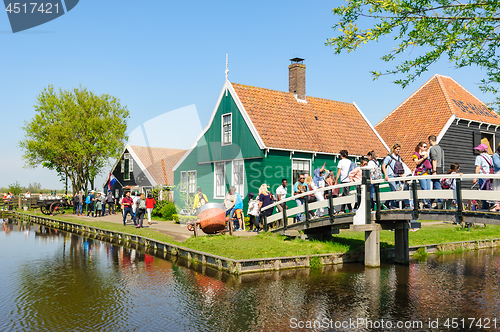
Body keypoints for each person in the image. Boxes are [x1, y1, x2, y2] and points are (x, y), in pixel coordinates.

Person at [382, 143, 409, 209]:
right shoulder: (389, 157)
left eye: (399, 149)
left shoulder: (399, 157)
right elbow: (384, 165)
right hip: (390, 175)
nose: (398, 151)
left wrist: (402, 176)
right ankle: (393, 205)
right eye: (397, 149)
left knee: (396, 190)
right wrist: (386, 174)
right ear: (393, 149)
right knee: (393, 190)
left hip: (397, 175)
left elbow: (400, 168)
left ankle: (387, 203)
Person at [473, 143, 493, 210]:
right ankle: (492, 203)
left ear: (480, 151)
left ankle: (485, 206)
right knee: (488, 190)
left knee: (483, 191)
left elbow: (478, 167)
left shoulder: (479, 157)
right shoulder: (489, 157)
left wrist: (475, 177)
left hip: (482, 176)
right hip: (488, 176)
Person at [412, 141, 432, 208]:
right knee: (424, 188)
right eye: (424, 147)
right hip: (421, 173)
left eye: (426, 147)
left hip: (427, 173)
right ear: (420, 147)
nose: (425, 148)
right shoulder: (416, 154)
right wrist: (424, 158)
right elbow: (417, 162)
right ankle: (424, 202)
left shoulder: (426, 153)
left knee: (428, 189)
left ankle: (428, 203)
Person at [428, 135, 444, 208]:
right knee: (435, 185)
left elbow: (434, 159)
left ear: (431, 140)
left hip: (435, 168)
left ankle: (441, 201)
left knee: (437, 184)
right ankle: (430, 202)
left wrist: (434, 170)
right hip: (440, 167)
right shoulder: (440, 148)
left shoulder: (432, 149)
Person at [492, 145, 500, 212]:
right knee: (497, 189)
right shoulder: (496, 155)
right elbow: (498, 164)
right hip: (498, 173)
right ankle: (497, 205)